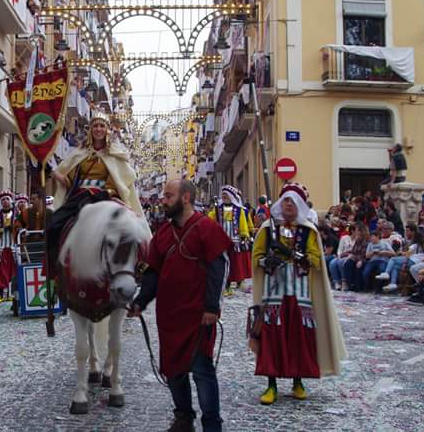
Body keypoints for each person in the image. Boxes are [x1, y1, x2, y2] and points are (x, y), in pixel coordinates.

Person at [129, 180, 230, 432]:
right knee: (174, 370)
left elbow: (218, 270)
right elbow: (152, 272)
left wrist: (211, 307)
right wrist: (141, 301)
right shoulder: (163, 233)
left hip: (198, 315)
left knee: (202, 370)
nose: (163, 201)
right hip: (170, 317)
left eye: (168, 196)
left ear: (185, 198)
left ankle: (212, 425)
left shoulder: (206, 228)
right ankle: (184, 418)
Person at [249, 183, 346, 405]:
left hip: (300, 292)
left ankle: (298, 381)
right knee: (272, 337)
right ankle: (271, 384)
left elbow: (315, 259)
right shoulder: (268, 228)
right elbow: (256, 256)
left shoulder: (307, 230)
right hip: (274, 292)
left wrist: (294, 255)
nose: (288, 205)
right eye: (285, 200)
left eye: (292, 201)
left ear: (300, 205)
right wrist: (267, 260)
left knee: (300, 337)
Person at [47, 112, 145, 279]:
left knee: (131, 225)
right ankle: (55, 270)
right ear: (90, 129)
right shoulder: (80, 153)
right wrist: (56, 174)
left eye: (102, 126)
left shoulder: (115, 154)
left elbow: (119, 179)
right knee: (54, 223)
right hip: (79, 196)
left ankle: (135, 265)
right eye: (95, 126)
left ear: (107, 130)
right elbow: (70, 180)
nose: (98, 129)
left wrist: (107, 191)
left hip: (104, 195)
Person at [210, 185, 250, 295]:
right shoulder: (217, 209)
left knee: (236, 263)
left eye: (226, 195)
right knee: (223, 263)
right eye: (222, 194)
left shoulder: (239, 209)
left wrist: (244, 235)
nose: (224, 196)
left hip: (235, 240)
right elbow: (210, 220)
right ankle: (226, 285)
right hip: (221, 241)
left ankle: (239, 281)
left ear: (231, 196)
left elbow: (242, 222)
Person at [0, 190, 18, 303]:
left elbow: (21, 226)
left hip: (13, 246)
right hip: (1, 246)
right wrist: (2, 229)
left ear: (10, 201)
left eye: (7, 199)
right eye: (3, 200)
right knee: (0, 271)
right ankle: (0, 294)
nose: (5, 201)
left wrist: (14, 228)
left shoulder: (17, 214)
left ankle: (10, 294)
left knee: (13, 271)